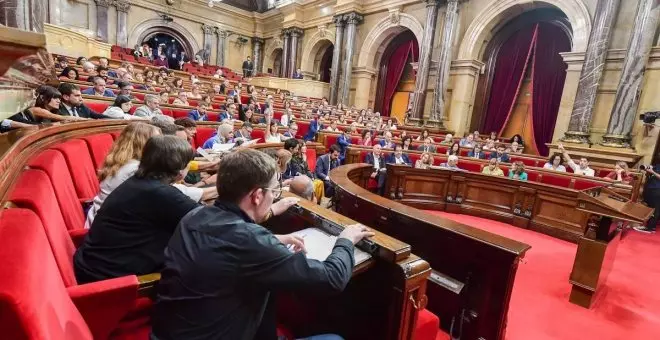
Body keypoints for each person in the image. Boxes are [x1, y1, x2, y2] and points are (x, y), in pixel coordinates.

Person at [151, 148, 373, 340]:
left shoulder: (195, 215)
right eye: (274, 191)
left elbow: (226, 246)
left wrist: (274, 239)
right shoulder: (250, 241)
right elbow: (331, 279)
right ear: (257, 196)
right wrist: (345, 239)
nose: (274, 197)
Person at [74, 135, 199, 284]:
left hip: (95, 265)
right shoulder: (159, 193)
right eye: (188, 164)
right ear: (179, 170)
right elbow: (213, 222)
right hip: (113, 280)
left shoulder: (139, 182)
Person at [85, 122, 161, 227]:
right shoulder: (135, 169)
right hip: (111, 228)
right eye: (156, 141)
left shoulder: (123, 162)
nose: (160, 146)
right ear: (142, 143)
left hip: (104, 219)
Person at [635, 164, 660, 233]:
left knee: (655, 209)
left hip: (657, 190)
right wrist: (648, 172)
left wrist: (653, 172)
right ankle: (649, 226)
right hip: (651, 189)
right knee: (651, 208)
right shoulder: (657, 166)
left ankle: (650, 228)